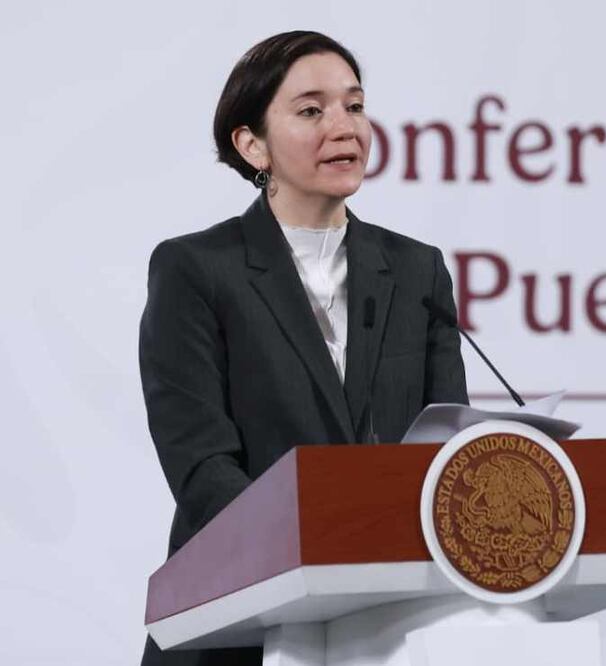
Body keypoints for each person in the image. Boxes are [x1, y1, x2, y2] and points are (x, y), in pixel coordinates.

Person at [138, 31, 468, 666]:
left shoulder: (416, 271)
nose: (344, 127)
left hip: (388, 627)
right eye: (312, 110)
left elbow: (443, 452)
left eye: (355, 105)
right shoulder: (197, 269)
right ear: (251, 143)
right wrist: (316, 549)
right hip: (235, 623)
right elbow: (202, 467)